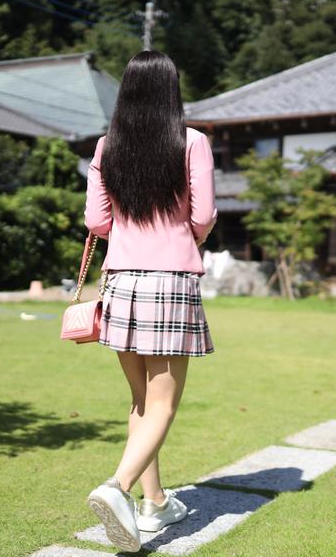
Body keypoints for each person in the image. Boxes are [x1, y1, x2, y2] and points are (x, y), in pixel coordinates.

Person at [82, 50, 217, 553]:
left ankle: (155, 501)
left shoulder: (106, 146)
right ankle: (117, 488)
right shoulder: (193, 142)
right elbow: (203, 215)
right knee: (163, 403)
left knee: (141, 400)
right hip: (170, 280)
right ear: (171, 90)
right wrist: (186, 237)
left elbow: (97, 222)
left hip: (121, 281)